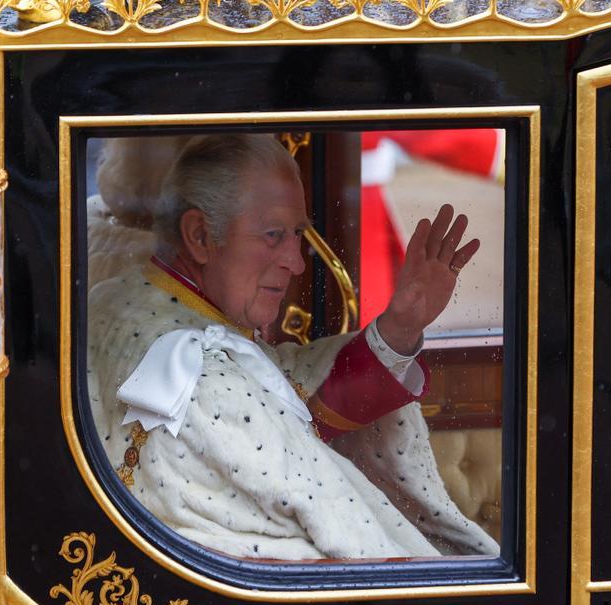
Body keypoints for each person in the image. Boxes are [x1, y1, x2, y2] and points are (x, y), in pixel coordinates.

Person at [87, 134, 499, 560]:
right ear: (199, 235)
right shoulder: (201, 375)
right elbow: (355, 554)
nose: (297, 262)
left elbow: (287, 397)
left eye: (297, 235)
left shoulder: (130, 294)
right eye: (273, 234)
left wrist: (400, 327)